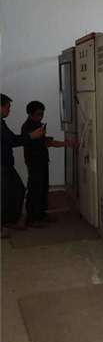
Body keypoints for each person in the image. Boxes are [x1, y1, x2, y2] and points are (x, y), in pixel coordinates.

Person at [1, 94, 44, 237]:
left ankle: (9, 221)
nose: (9, 110)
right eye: (7, 107)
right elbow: (12, 141)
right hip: (2, 165)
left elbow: (12, 139)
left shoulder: (1, 123)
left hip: (6, 164)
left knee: (17, 190)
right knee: (6, 194)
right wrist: (32, 136)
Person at [21, 100, 69, 226]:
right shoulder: (28, 127)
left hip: (41, 161)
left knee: (43, 187)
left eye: (42, 114)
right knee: (35, 189)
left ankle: (41, 215)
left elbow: (45, 142)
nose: (41, 116)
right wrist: (66, 144)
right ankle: (33, 218)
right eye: (38, 114)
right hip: (34, 162)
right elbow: (46, 143)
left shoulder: (38, 125)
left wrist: (64, 143)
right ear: (30, 114)